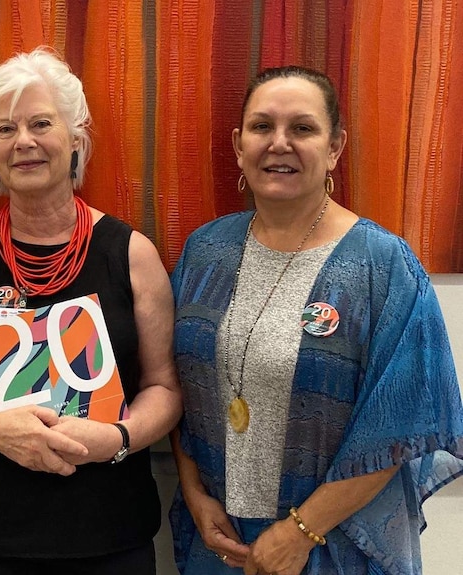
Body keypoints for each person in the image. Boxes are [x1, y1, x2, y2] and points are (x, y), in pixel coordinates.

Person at [169, 65, 463, 575]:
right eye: (262, 127)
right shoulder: (205, 252)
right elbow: (176, 383)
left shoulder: (381, 265)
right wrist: (195, 496)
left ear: (334, 148)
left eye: (302, 129)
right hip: (220, 542)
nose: (279, 143)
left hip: (332, 547)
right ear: (240, 145)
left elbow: (399, 425)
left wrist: (299, 532)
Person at [0, 47, 182, 574]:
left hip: (109, 534)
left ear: (75, 140)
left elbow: (165, 388)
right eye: (6, 130)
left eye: (40, 123)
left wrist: (117, 438)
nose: (24, 142)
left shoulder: (131, 254)